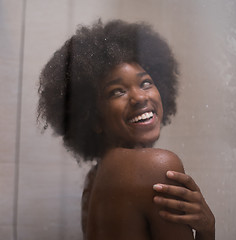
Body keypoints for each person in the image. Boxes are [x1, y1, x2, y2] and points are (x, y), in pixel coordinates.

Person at [38, 20, 215, 240]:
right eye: (117, 92)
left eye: (146, 83)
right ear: (93, 118)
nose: (140, 97)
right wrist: (207, 229)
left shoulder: (94, 178)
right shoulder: (156, 166)